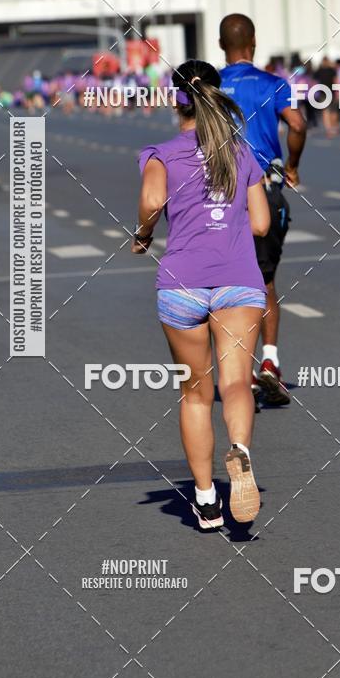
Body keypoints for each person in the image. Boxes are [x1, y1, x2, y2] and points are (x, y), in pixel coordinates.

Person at [134, 59, 271, 529]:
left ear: (177, 100)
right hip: (238, 280)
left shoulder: (161, 153)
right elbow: (260, 223)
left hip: (181, 284)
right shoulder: (240, 152)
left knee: (195, 394)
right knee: (236, 384)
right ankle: (242, 449)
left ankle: (208, 500)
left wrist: (145, 233)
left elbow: (152, 202)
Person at [219, 13, 307, 407]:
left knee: (224, 285)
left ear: (223, 46)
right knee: (265, 280)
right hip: (266, 192)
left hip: (220, 195)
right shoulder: (274, 84)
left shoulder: (210, 87)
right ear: (252, 42)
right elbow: (298, 124)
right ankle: (270, 362)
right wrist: (292, 165)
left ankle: (236, 370)